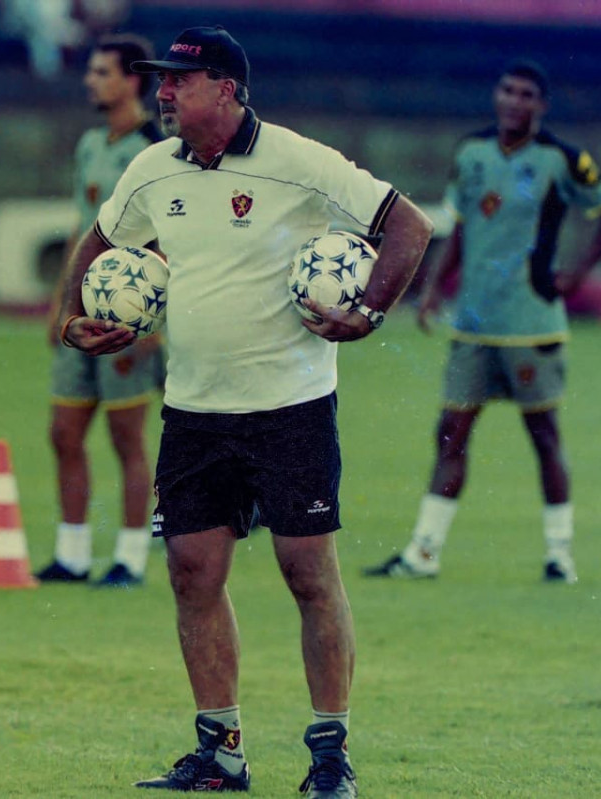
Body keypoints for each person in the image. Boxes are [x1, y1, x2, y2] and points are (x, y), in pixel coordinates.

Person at [56, 26, 434, 797]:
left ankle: (331, 755)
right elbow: (95, 242)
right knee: (193, 573)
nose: (162, 93)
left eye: (179, 83)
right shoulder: (152, 168)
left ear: (226, 90)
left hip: (291, 405)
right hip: (193, 409)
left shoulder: (300, 162)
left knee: (309, 573)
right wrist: (70, 320)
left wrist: (372, 311)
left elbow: (409, 225)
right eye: (160, 82)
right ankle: (220, 751)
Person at [364, 60, 601, 585]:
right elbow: (460, 226)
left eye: (526, 94)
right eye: (507, 90)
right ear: (496, 96)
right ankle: (424, 553)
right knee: (451, 433)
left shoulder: (563, 160)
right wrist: (435, 286)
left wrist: (577, 272)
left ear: (541, 105)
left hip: (533, 324)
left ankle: (560, 556)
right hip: (474, 326)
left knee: (543, 435)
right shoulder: (472, 153)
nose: (514, 100)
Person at [36, 33, 166, 589]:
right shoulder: (91, 144)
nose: (91, 81)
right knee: (64, 432)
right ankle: (71, 554)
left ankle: (131, 558)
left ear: (132, 80)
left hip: (125, 321)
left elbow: (166, 238)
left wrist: (152, 321)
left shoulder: (154, 151)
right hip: (80, 317)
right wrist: (59, 305)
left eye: (102, 72)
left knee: (125, 438)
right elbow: (80, 227)